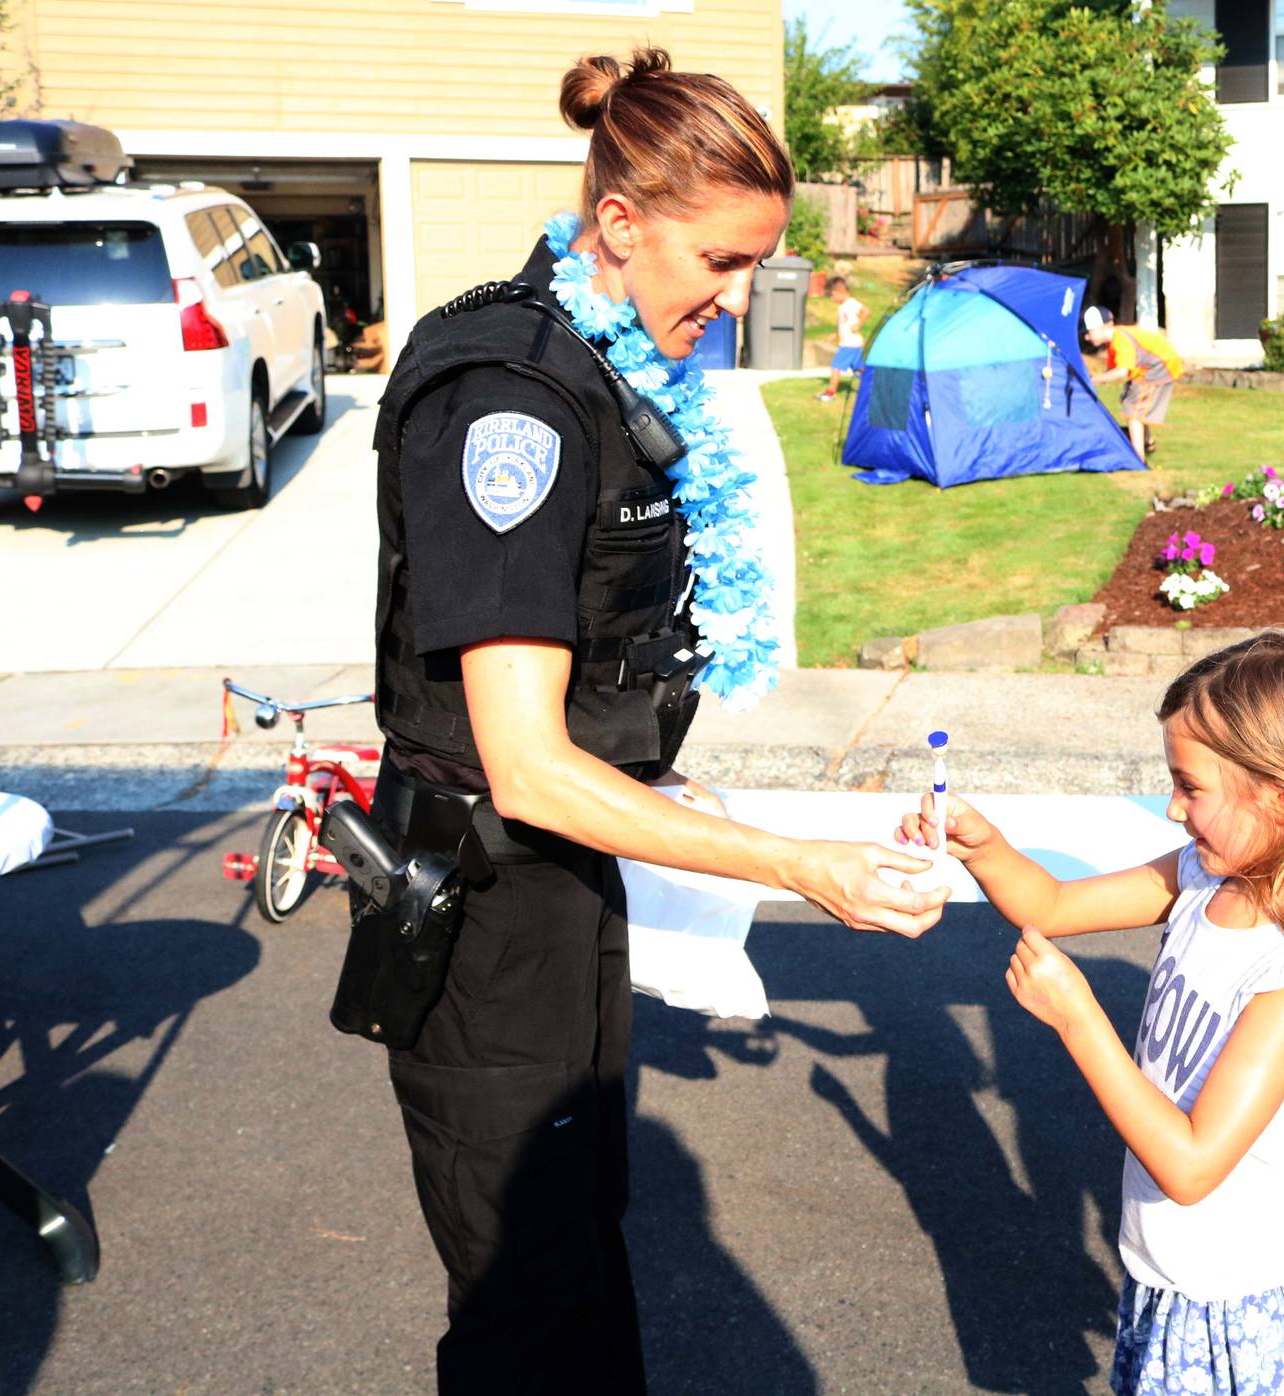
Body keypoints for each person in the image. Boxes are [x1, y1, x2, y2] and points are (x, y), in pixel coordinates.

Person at [367, 47, 949, 1394]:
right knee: (527, 1313)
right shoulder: (510, 401)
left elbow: (593, 682)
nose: (741, 301)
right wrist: (806, 871)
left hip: (569, 899)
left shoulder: (605, 365)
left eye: (758, 266)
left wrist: (687, 806)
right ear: (621, 223)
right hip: (486, 912)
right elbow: (523, 762)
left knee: (580, 1265)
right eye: (723, 263)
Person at [900, 633, 1284, 1395]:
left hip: (1236, 1298)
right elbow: (1052, 902)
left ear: (1281, 793)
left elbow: (1191, 1165)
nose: (1171, 807)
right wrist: (984, 846)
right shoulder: (1207, 874)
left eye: (1189, 786)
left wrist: (1078, 1019)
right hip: (1173, 1267)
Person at [1084, 305, 1185, 461]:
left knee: (1133, 410)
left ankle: (1138, 457)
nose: (1087, 338)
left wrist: (1096, 379)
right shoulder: (1114, 341)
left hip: (1159, 366)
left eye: (1089, 332)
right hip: (1149, 367)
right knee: (1131, 400)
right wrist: (1097, 379)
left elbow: (1121, 372)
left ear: (1104, 327)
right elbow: (1113, 368)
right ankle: (1147, 443)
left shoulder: (1119, 340)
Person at [815, 274, 869, 402]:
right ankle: (873, 387)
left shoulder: (851, 303)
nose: (831, 299)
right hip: (853, 343)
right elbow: (843, 324)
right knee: (861, 369)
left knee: (835, 367)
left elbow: (866, 311)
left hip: (849, 344)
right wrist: (837, 335)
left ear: (838, 292)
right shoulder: (842, 306)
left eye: (831, 295)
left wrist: (858, 324)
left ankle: (830, 393)